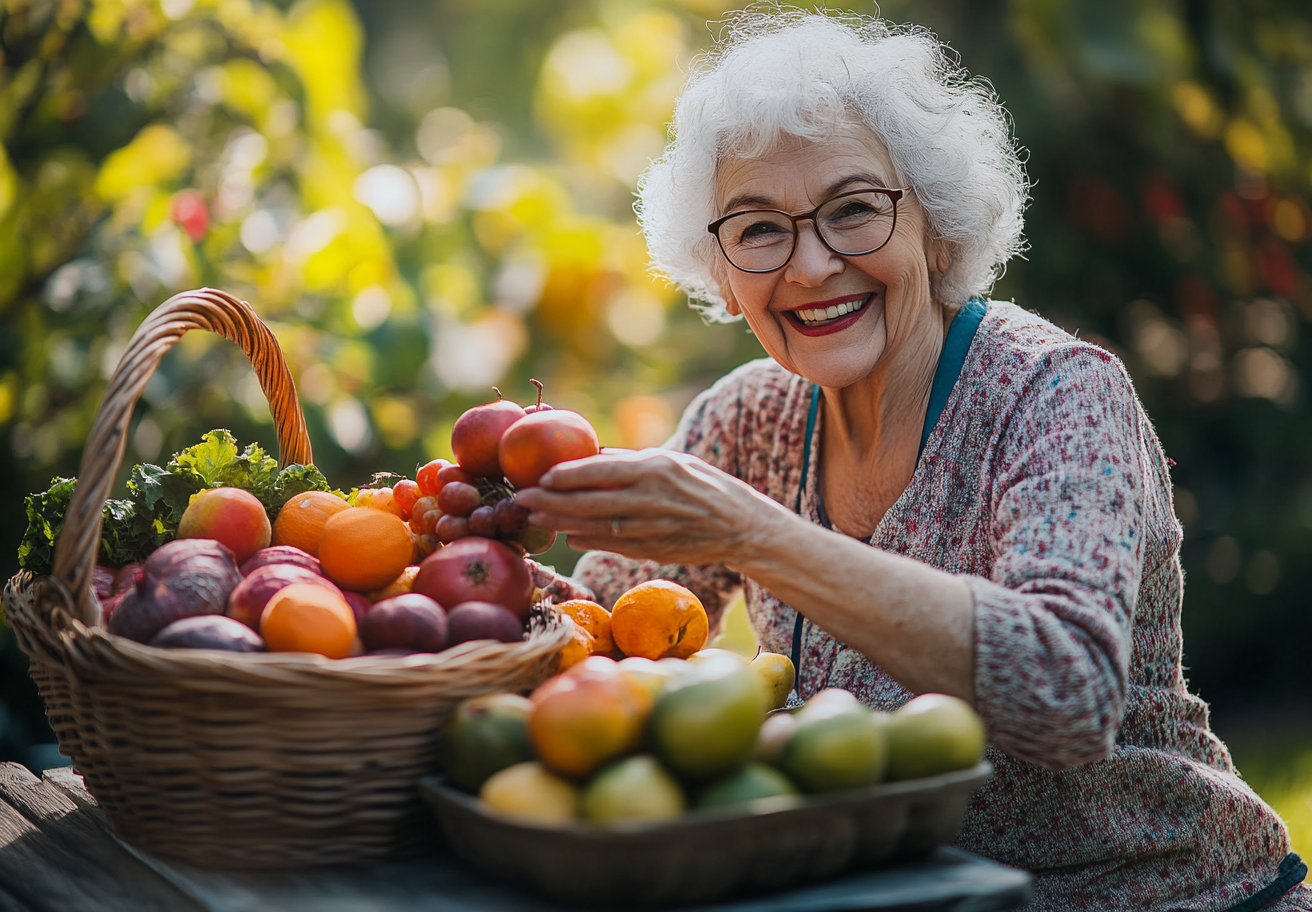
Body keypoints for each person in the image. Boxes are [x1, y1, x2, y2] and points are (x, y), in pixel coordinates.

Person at [514, 10, 1309, 911]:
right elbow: (596, 635)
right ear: (723, 273)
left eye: (854, 210)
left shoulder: (1056, 393)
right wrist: (479, 571)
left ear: (935, 227)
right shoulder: (746, 420)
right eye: (760, 228)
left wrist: (755, 536)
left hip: (1168, 897)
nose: (811, 266)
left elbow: (1066, 693)